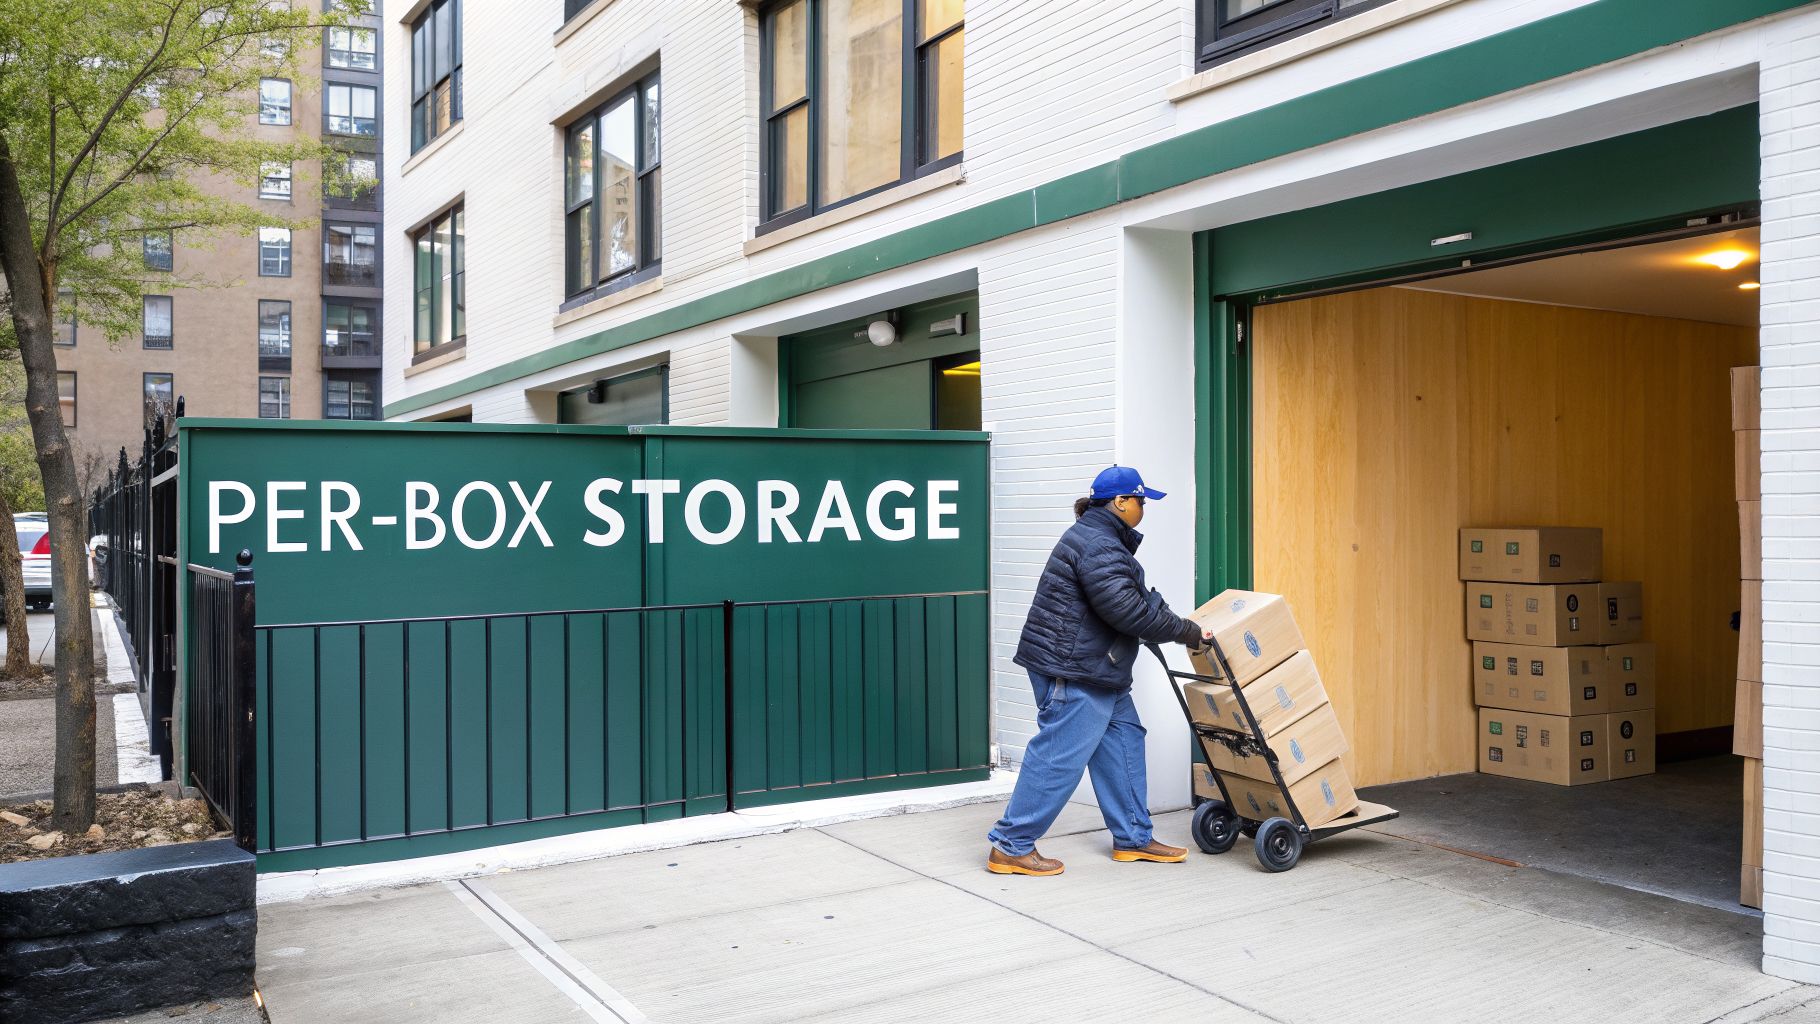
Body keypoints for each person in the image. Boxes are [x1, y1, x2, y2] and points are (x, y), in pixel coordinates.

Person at [986, 465, 1208, 876]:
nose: (1143, 509)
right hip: (1075, 671)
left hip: (1099, 669)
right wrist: (1187, 632)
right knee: (1058, 757)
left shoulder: (1100, 539)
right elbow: (1125, 610)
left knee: (1124, 743)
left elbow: (1128, 600)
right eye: (1141, 501)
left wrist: (1167, 619)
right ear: (1120, 502)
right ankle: (1011, 845)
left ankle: (1133, 838)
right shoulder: (1099, 544)